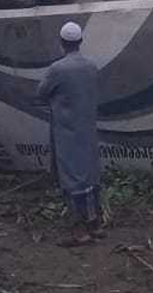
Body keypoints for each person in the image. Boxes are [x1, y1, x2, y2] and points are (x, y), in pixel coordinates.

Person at [36, 20, 103, 245]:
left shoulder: (58, 69)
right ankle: (95, 225)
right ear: (80, 42)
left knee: (72, 180)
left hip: (67, 131)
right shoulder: (91, 66)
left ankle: (80, 232)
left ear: (62, 43)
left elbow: (41, 93)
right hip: (88, 129)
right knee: (90, 176)